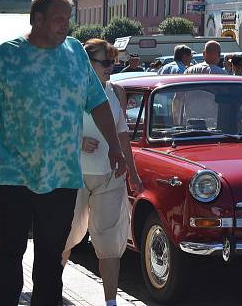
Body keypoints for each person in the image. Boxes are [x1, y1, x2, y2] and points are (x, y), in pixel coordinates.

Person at [0, 0, 126, 306]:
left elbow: (98, 103)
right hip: (14, 176)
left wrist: (114, 145)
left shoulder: (75, 53)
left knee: (50, 259)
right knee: (8, 256)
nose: (65, 27)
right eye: (59, 20)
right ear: (37, 19)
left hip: (62, 178)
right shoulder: (5, 56)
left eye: (68, 20)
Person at [62, 39, 143, 306]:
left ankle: (110, 302)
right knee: (65, 237)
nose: (111, 67)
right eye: (105, 62)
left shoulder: (116, 91)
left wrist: (132, 171)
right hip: (74, 175)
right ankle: (50, 291)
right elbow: (52, 129)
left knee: (110, 244)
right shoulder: (69, 90)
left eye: (113, 61)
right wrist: (78, 141)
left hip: (110, 176)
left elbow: (122, 135)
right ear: (87, 62)